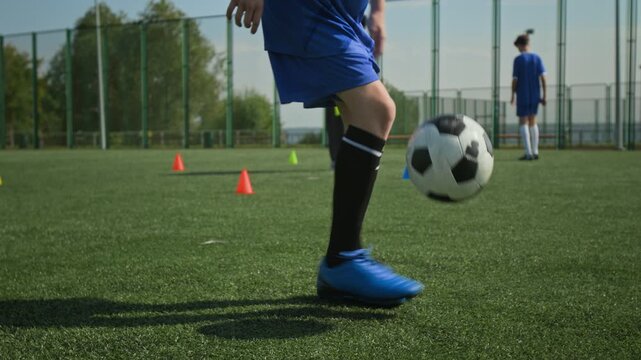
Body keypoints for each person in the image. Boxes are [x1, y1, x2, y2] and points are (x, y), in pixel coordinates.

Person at [226, 0, 423, 306]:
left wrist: (379, 10)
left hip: (346, 14)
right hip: (309, 8)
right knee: (376, 109)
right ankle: (343, 259)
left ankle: (342, 261)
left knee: (358, 116)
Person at [511, 33, 547, 161]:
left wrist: (512, 95)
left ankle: (528, 153)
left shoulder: (518, 60)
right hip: (535, 95)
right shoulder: (537, 58)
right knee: (533, 121)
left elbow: (515, 80)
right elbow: (543, 78)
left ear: (521, 45)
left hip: (522, 94)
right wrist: (544, 95)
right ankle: (536, 151)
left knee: (523, 121)